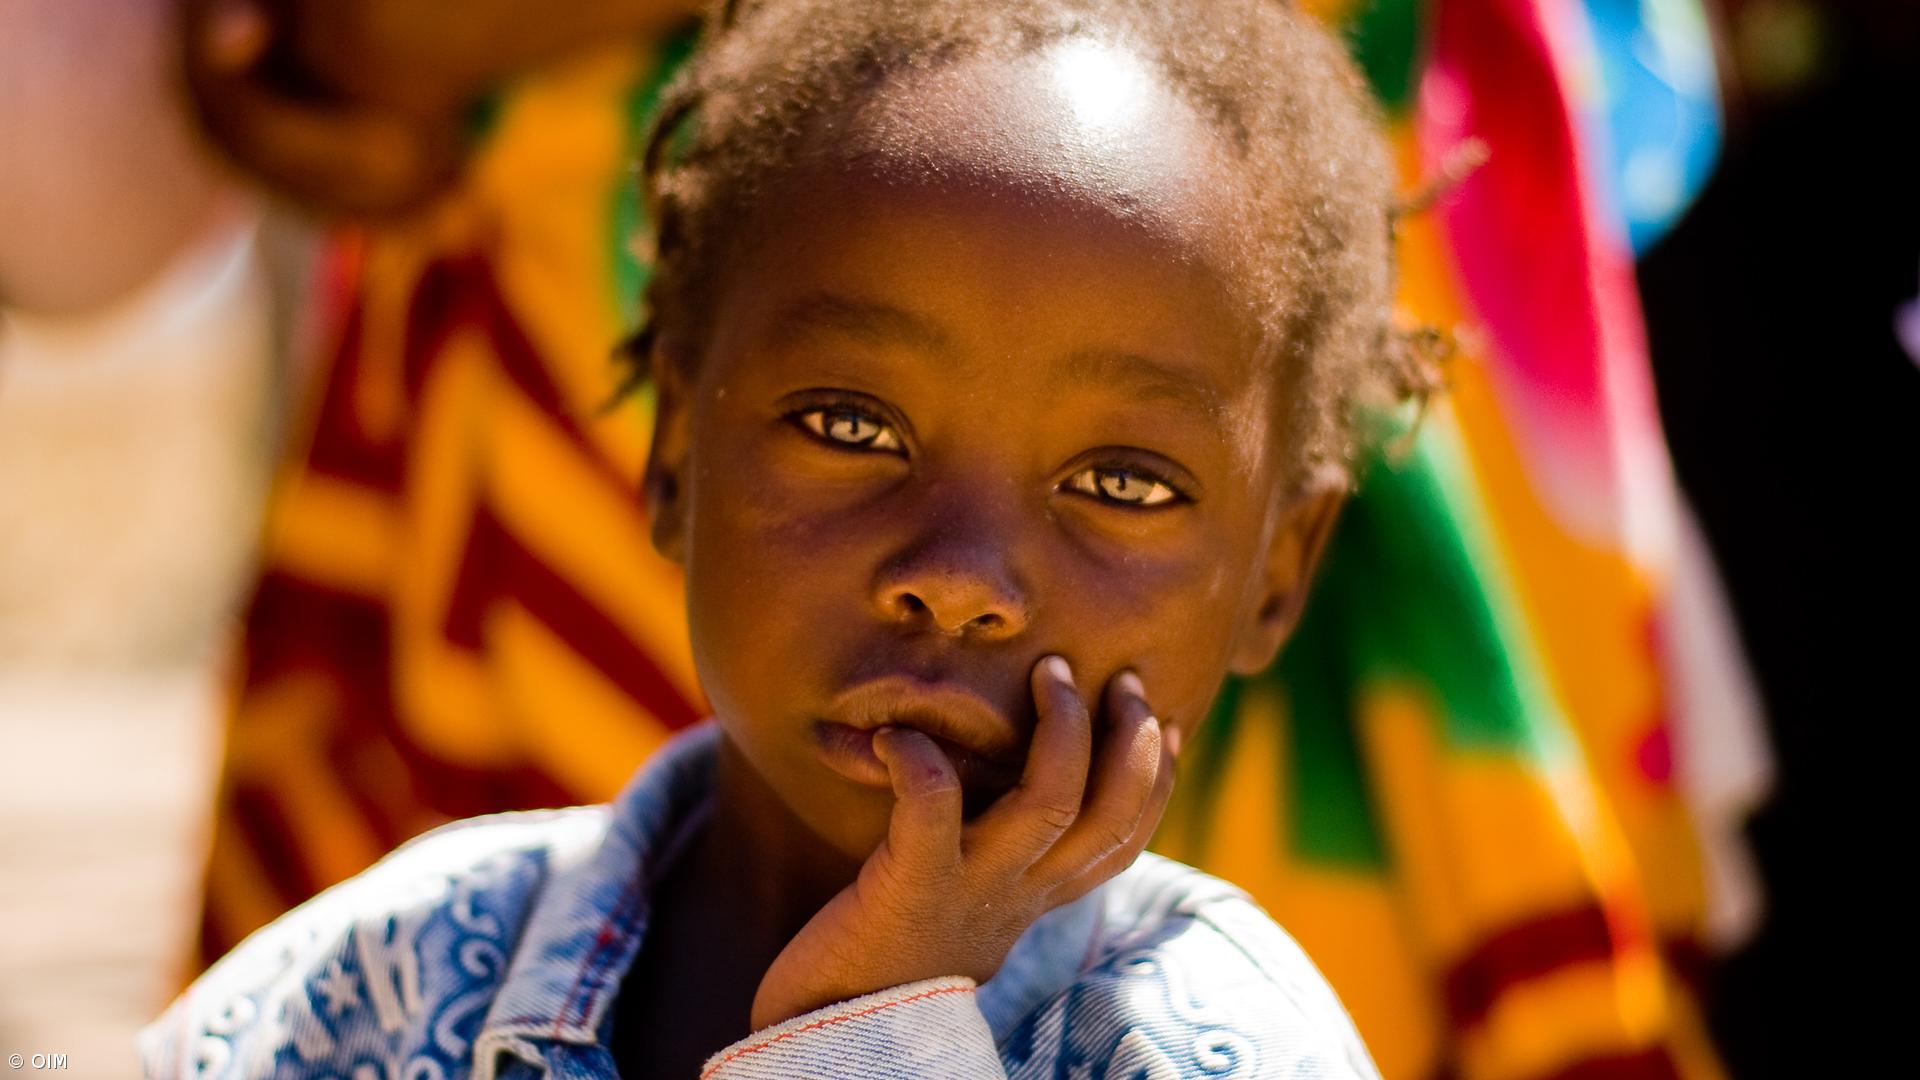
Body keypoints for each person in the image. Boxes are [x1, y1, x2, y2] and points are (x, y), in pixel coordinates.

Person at [141, 0, 1419, 1075]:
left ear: (1277, 576)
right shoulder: (391, 969)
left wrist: (863, 1038)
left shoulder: (1216, 1044)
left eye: (1124, 484)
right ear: (676, 456)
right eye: (851, 424)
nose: (960, 581)